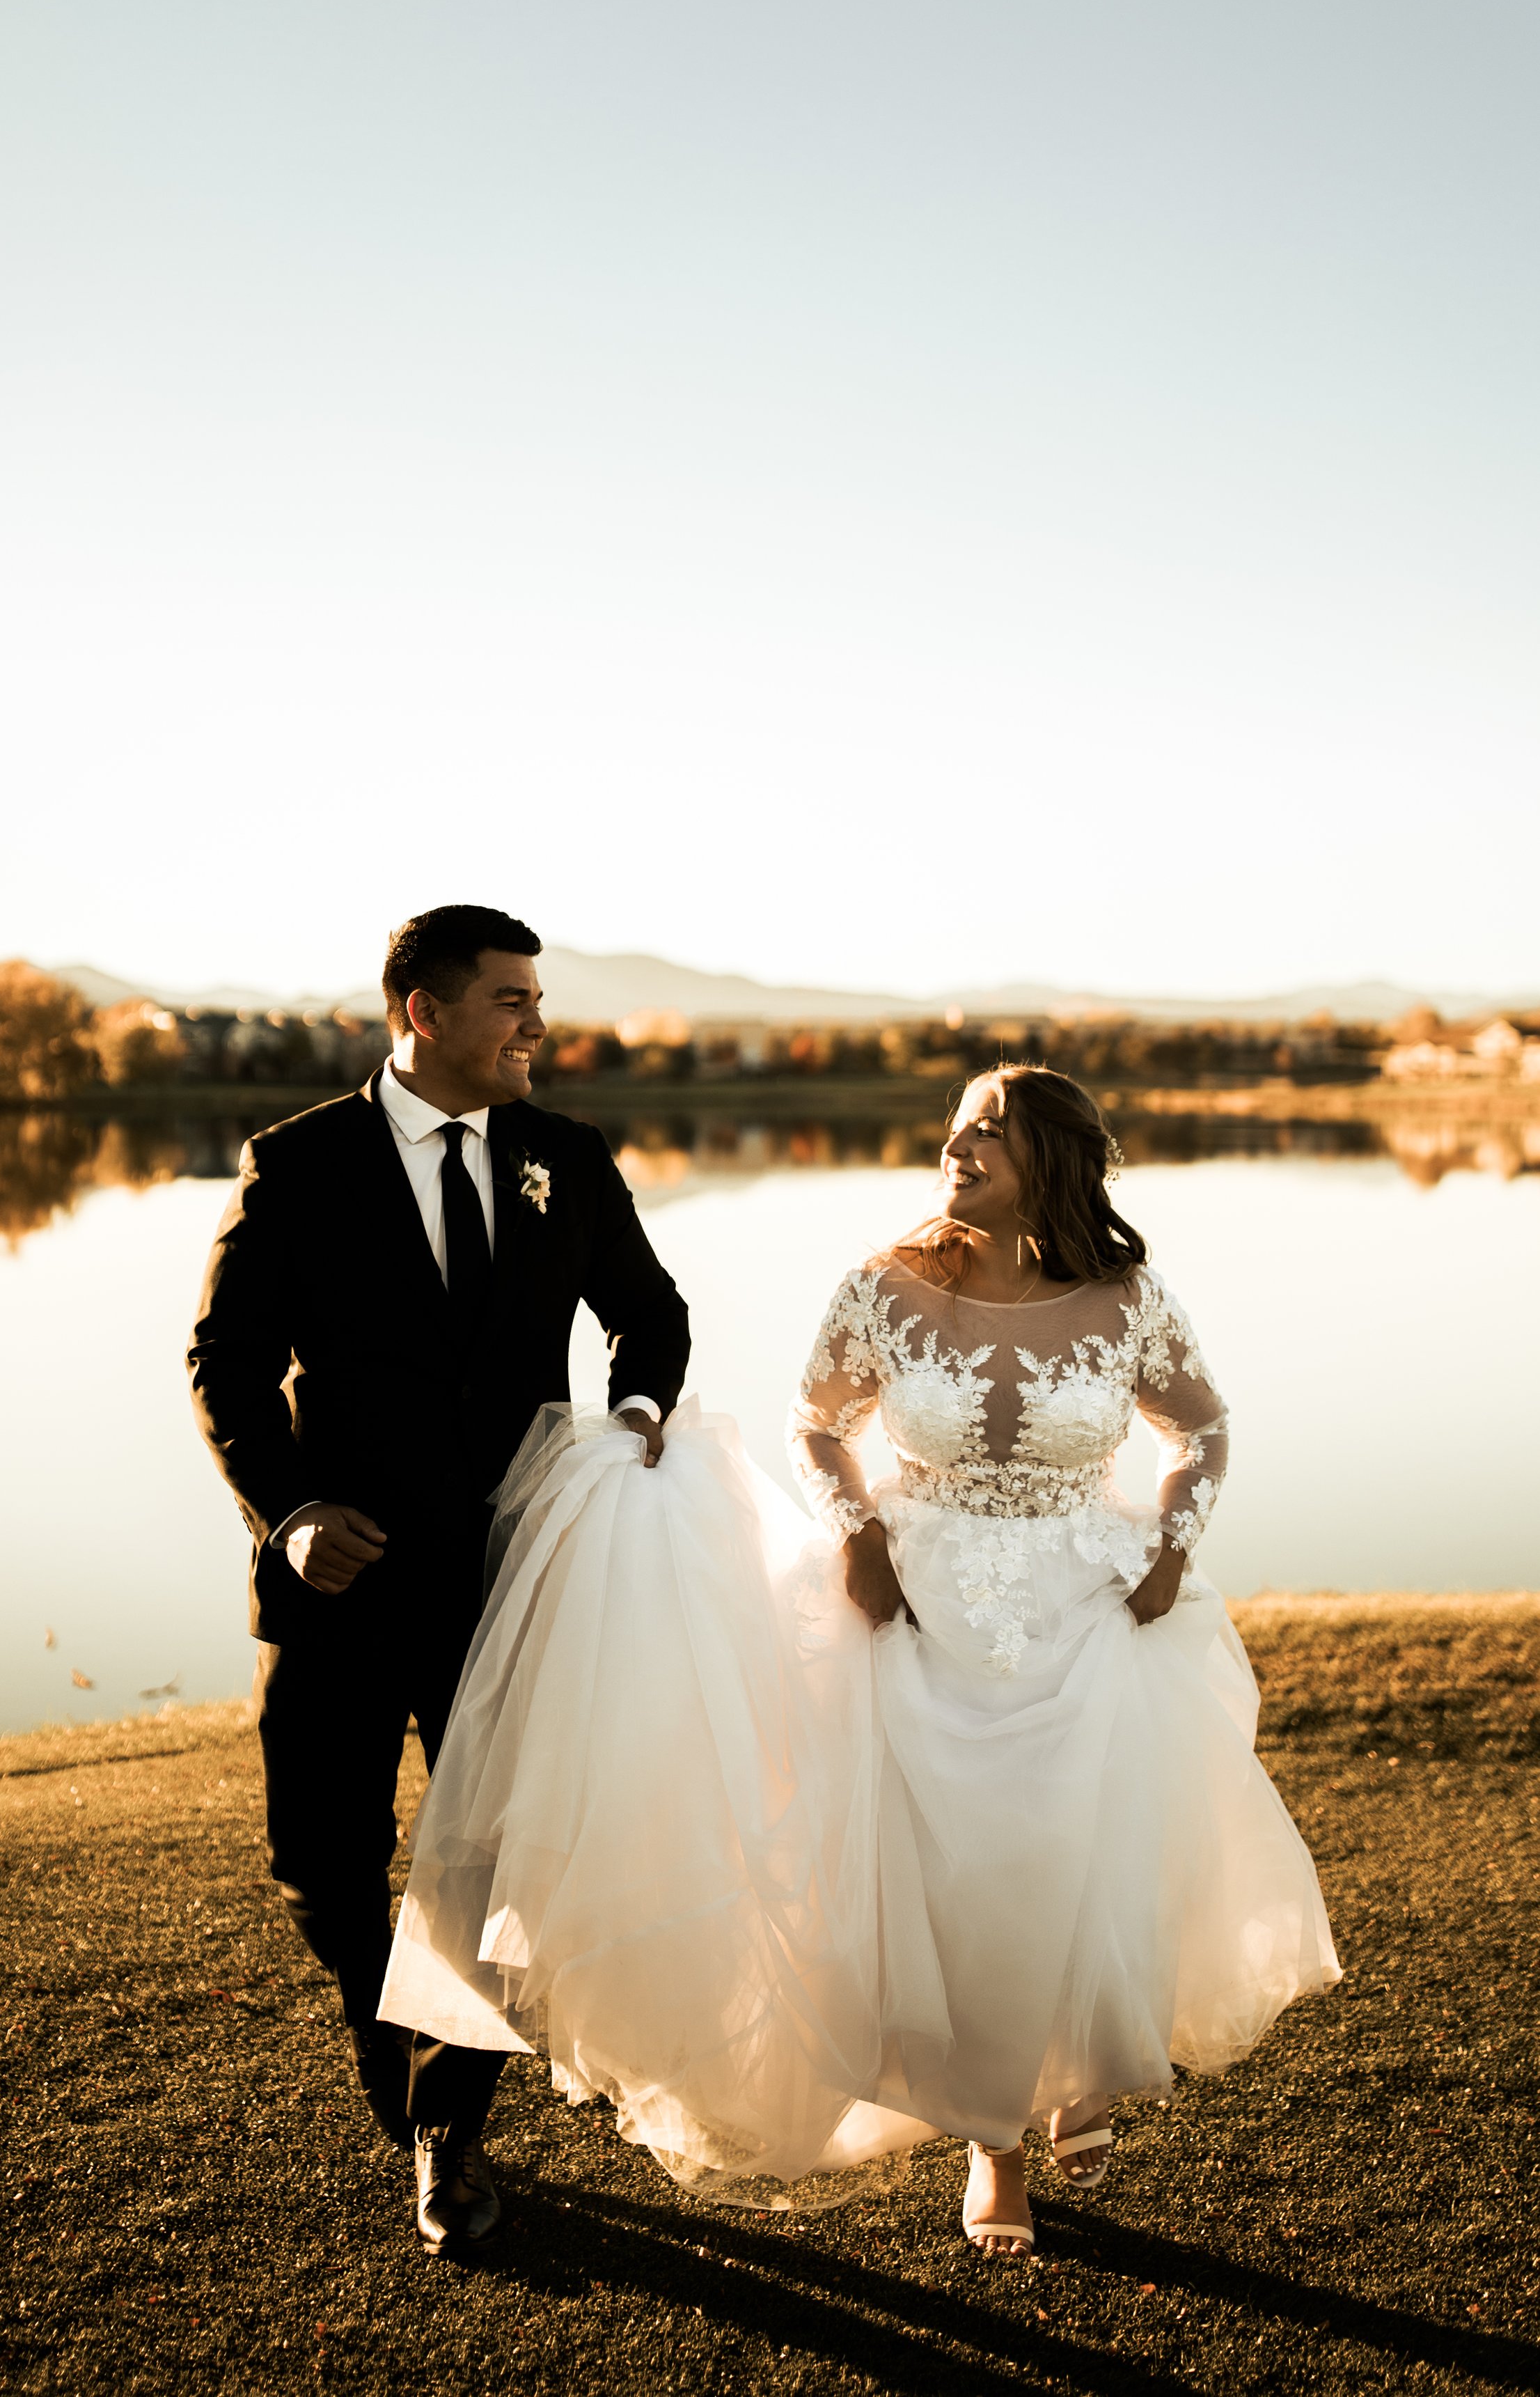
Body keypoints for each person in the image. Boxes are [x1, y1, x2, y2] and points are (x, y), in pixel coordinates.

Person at [380, 1064, 1339, 2252]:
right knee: (951, 1883)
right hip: (914, 1609)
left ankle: (1078, 2061)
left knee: (1079, 1857)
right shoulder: (883, 1289)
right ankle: (995, 2145)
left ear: (1054, 1156)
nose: (960, 1141)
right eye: (958, 1123)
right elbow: (816, 1424)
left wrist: (1172, 1547)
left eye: (992, 1128)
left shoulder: (1128, 1296)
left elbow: (1201, 1426)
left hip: (1084, 1604)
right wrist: (862, 1534)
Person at [186, 905, 690, 2253]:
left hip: (512, 1587)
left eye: (538, 1001)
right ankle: (394, 2053)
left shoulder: (565, 1159)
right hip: (335, 1583)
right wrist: (287, 1510)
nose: (538, 1026)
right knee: (320, 1866)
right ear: (423, 1012)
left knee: (487, 1866)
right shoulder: (297, 1164)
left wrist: (633, 1424)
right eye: (512, 1001)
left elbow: (650, 1313)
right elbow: (222, 1363)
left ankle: (447, 2133)